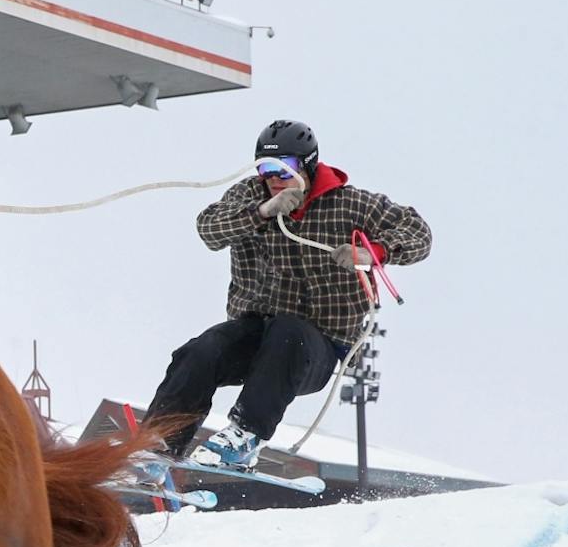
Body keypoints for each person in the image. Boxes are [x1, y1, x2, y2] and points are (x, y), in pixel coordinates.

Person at [145, 120, 432, 470]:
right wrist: (261, 213)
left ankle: (245, 435)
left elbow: (418, 232)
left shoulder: (353, 204)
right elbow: (209, 229)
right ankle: (158, 442)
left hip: (315, 346)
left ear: (308, 165)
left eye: (287, 168)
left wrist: (375, 251)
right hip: (255, 331)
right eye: (267, 169)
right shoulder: (250, 196)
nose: (276, 178)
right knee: (202, 350)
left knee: (288, 331)